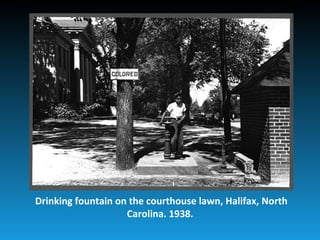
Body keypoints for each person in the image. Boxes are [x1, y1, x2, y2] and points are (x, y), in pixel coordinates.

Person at [159, 92, 186, 159]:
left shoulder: (183, 105)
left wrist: (181, 120)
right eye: (177, 99)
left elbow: (184, 114)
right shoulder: (172, 105)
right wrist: (161, 121)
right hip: (173, 121)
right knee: (174, 138)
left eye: (180, 99)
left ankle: (179, 154)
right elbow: (165, 112)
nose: (178, 100)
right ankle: (174, 152)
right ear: (175, 99)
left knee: (181, 140)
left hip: (180, 121)